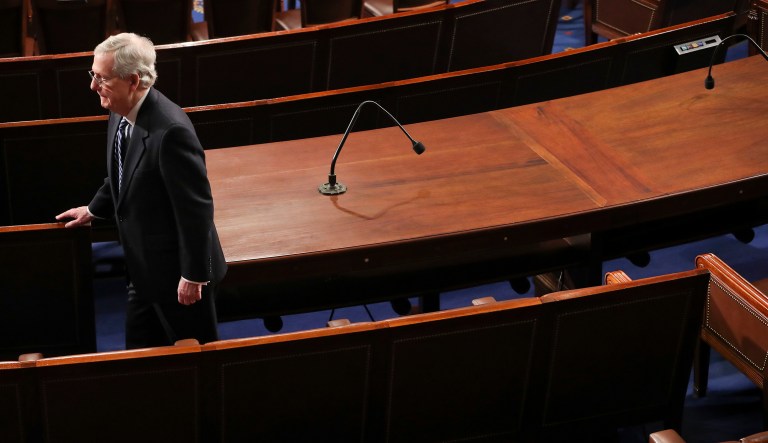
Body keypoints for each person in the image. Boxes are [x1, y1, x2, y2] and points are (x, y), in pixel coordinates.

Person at [56, 33, 227, 349]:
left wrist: (193, 275)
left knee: (195, 363)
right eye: (93, 74)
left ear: (133, 81)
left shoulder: (171, 132)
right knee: (140, 361)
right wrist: (94, 209)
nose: (93, 86)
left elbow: (197, 210)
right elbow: (124, 174)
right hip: (143, 270)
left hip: (179, 279)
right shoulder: (119, 107)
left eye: (102, 78)